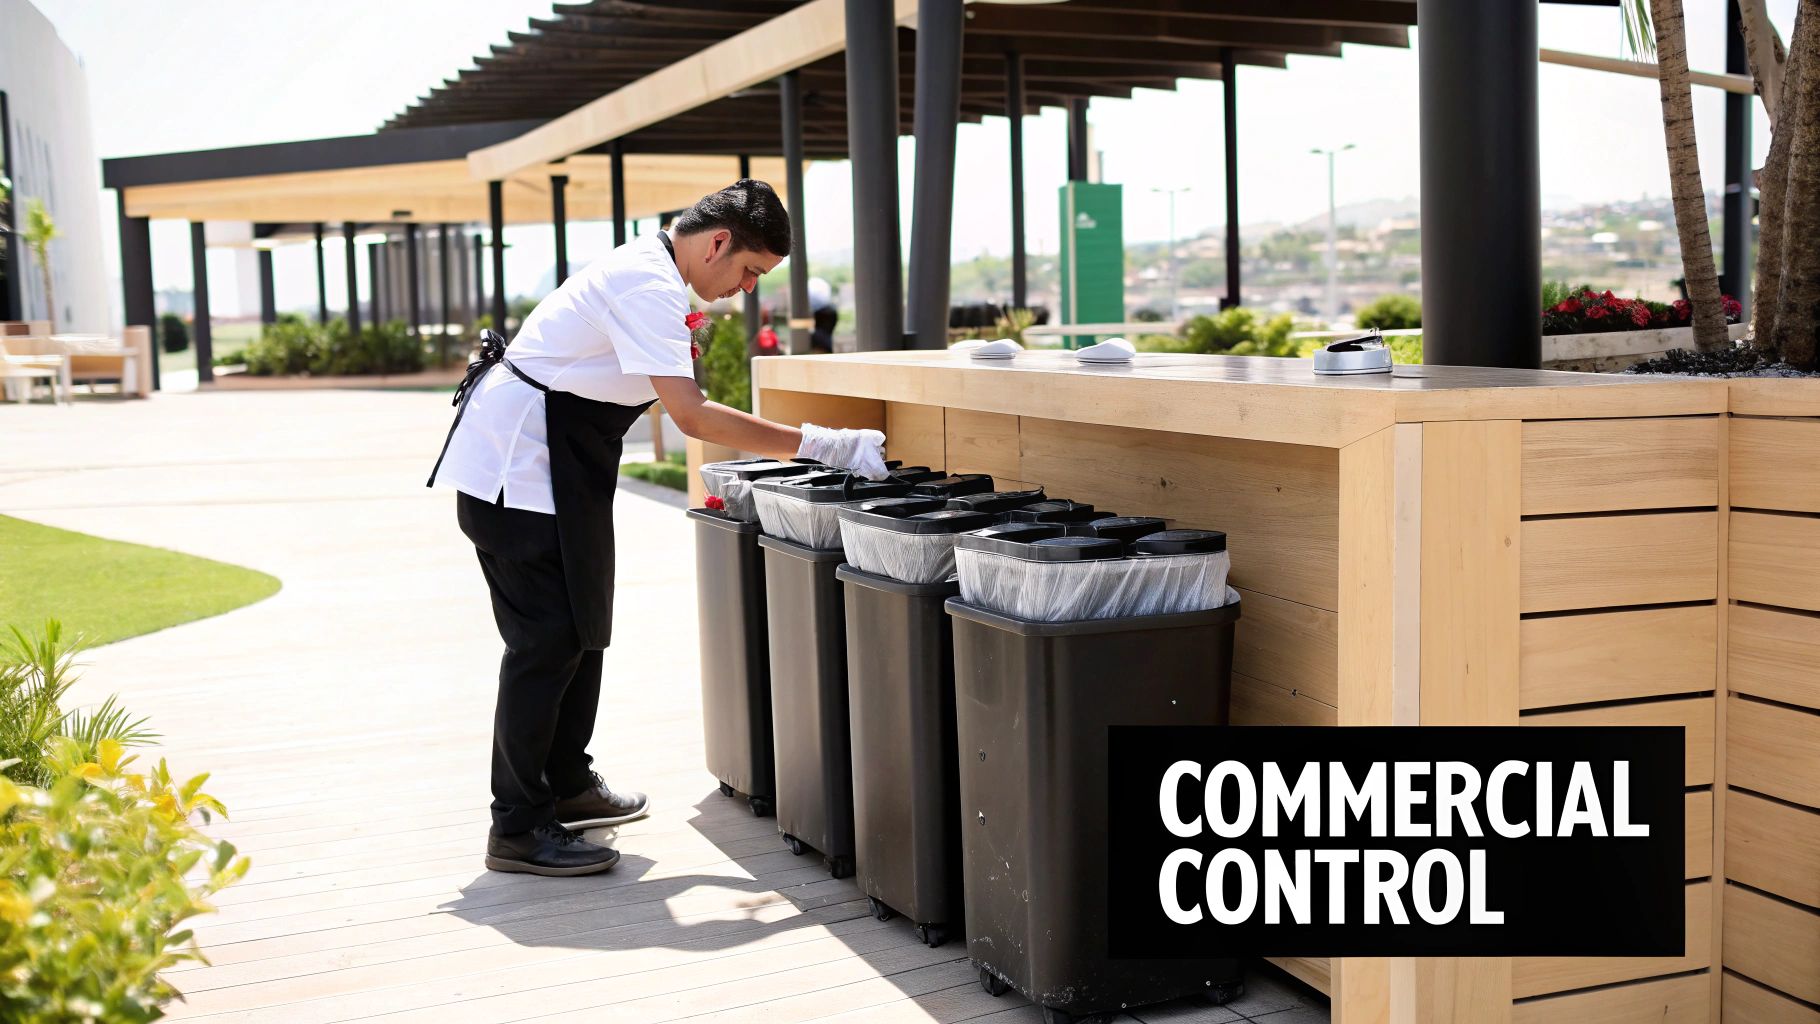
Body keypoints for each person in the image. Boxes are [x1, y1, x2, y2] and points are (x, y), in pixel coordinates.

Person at [427, 179, 887, 877]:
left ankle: (566, 786)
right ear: (719, 242)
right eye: (748, 273)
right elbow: (694, 416)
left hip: (562, 471)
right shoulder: (647, 286)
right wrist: (825, 443)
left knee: (583, 626)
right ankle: (517, 827)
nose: (744, 290)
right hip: (515, 475)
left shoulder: (656, 271)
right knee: (545, 644)